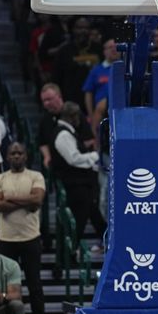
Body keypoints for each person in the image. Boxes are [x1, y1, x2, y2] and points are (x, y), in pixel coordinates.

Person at [0, 142, 48, 314]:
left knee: (34, 284)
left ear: (25, 156)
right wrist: (26, 200)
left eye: (19, 152)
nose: (16, 156)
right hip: (5, 239)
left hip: (30, 237)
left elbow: (38, 200)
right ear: (7, 157)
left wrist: (9, 200)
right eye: (12, 153)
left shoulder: (35, 176)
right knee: (8, 288)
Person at [49, 101, 106, 244]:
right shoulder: (63, 134)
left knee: (94, 216)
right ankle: (68, 253)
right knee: (79, 220)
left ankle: (109, 242)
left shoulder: (68, 132)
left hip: (82, 184)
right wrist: (95, 156)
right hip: (75, 186)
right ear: (72, 116)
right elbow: (73, 159)